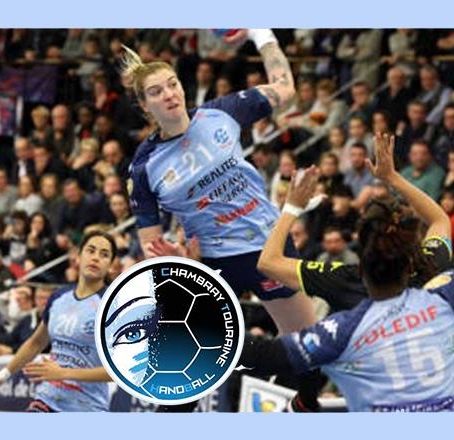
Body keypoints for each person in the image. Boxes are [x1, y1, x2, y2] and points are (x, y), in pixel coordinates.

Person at [243, 127, 454, 411]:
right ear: (409, 247)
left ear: (364, 256)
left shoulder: (345, 313)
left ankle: (306, 400)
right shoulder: (442, 288)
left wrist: (291, 208)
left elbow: (268, 263)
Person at [125, 29, 319, 336]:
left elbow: (284, 87)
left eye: (173, 84)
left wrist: (261, 34)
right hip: (210, 262)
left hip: (268, 243)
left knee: (307, 341)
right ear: (145, 105)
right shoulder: (143, 167)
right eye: (156, 91)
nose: (169, 94)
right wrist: (175, 261)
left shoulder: (220, 113)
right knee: (196, 351)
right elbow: (152, 246)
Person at [0, 231, 117, 412]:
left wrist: (64, 373)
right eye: (91, 250)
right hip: (47, 399)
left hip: (86, 407)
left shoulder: (113, 306)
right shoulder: (59, 297)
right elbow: (36, 342)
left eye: (104, 254)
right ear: (78, 257)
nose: (96, 257)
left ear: (110, 266)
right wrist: (2, 375)